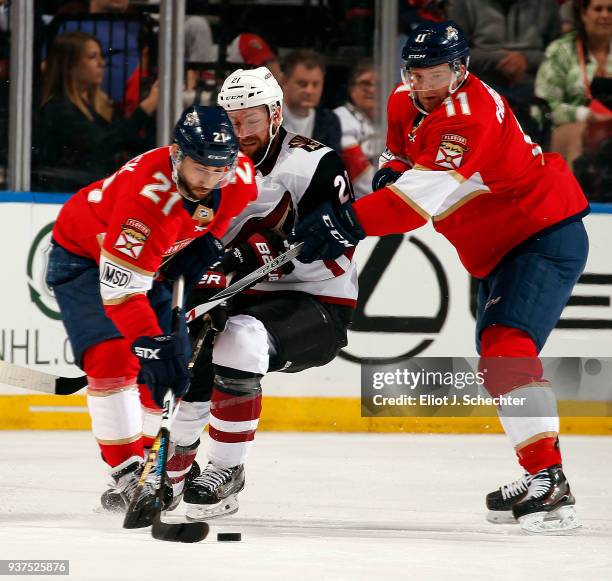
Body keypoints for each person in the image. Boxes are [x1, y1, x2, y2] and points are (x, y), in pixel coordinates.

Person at [291, 21, 589, 535]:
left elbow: (411, 207)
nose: (421, 82)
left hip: (541, 234)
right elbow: (397, 156)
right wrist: (389, 172)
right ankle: (539, 469)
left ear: (461, 70)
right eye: (414, 71)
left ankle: (549, 477)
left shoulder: (468, 118)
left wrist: (347, 223)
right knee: (499, 359)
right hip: (500, 246)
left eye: (434, 73)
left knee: (505, 348)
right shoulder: (406, 97)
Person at [159, 67, 357, 520]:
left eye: (252, 120)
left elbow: (328, 250)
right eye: (233, 121)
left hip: (316, 303)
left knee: (240, 339)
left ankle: (226, 472)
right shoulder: (213, 165)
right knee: (190, 373)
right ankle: (170, 475)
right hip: (242, 296)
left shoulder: (313, 163)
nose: (242, 132)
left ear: (276, 115)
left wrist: (238, 260)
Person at [45, 105, 258, 513]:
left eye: (220, 170)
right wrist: (149, 341)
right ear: (177, 154)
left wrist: (206, 245)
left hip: (151, 264)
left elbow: (222, 207)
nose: (209, 180)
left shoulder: (238, 175)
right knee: (113, 357)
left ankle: (148, 468)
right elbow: (122, 295)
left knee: (172, 369)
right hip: (85, 259)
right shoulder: (142, 207)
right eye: (200, 169)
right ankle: (128, 473)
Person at [34, 31, 157, 192]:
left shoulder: (98, 108)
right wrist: (145, 108)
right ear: (70, 65)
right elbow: (103, 143)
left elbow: (126, 141)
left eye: (101, 56)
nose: (101, 63)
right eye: (92, 57)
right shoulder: (58, 108)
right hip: (67, 194)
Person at [535, 0, 612, 170]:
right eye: (598, 9)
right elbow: (545, 106)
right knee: (582, 133)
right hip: (568, 128)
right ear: (583, 14)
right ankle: (577, 196)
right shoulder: (561, 50)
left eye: (610, 9)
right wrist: (585, 115)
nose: (605, 15)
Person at [449, 0, 561, 103]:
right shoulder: (465, 3)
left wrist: (526, 60)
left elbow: (560, 55)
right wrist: (499, 59)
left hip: (536, 85)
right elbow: (453, 54)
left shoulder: (547, 5)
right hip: (482, 83)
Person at [334, 59, 380, 198]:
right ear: (352, 89)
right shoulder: (340, 117)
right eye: (365, 84)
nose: (372, 89)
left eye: (377, 85)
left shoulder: (386, 119)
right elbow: (359, 177)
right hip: (354, 203)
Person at [281, 49, 342, 154]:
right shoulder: (269, 117)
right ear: (284, 81)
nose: (309, 91)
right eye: (302, 84)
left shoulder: (329, 121)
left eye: (315, 84)